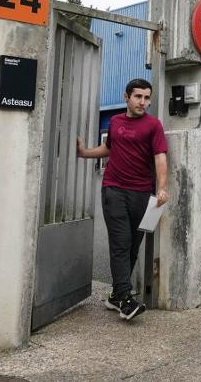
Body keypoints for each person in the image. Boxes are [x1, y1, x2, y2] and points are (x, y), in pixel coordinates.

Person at [77, 78, 168, 320]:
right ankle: (126, 301)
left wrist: (162, 188)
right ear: (126, 97)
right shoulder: (116, 121)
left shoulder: (153, 126)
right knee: (121, 243)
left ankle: (116, 296)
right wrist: (85, 153)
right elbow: (108, 148)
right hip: (114, 189)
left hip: (141, 193)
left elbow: (160, 157)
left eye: (147, 98)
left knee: (132, 248)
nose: (143, 102)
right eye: (138, 96)